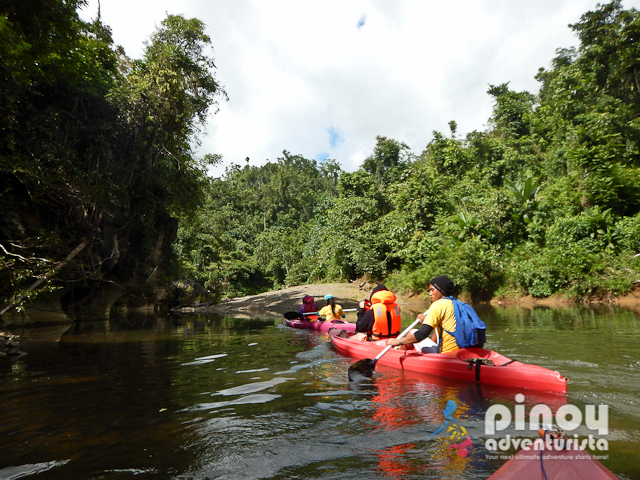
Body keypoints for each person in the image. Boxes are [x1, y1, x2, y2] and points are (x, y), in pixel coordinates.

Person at [387, 275, 458, 353]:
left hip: (446, 355)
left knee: (412, 332)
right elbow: (445, 323)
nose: (430, 294)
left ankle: (397, 353)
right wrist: (426, 319)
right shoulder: (456, 304)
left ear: (440, 290)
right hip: (460, 353)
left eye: (432, 290)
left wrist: (398, 341)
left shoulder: (437, 304)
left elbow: (421, 335)